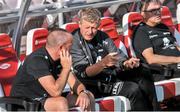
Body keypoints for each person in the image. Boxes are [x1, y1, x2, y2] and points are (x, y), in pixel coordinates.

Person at [71, 7, 160, 110]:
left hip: (110, 75)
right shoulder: (74, 41)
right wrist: (103, 64)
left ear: (99, 26)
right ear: (79, 24)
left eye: (94, 28)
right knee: (132, 89)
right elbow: (84, 73)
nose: (90, 32)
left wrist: (126, 63)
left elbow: (117, 56)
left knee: (143, 71)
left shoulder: (102, 36)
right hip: (93, 84)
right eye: (87, 27)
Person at [10, 28, 95, 111]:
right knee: (60, 103)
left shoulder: (60, 59)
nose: (72, 49)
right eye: (70, 46)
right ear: (61, 48)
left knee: (88, 97)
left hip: (44, 101)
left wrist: (83, 92)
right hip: (24, 105)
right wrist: (66, 68)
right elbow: (55, 92)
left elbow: (75, 83)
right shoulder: (37, 60)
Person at [133, 0, 180, 81]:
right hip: (164, 72)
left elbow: (175, 47)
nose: (158, 13)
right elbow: (151, 59)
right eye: (153, 11)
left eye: (159, 9)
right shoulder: (141, 32)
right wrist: (178, 59)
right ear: (143, 14)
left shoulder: (163, 27)